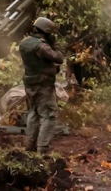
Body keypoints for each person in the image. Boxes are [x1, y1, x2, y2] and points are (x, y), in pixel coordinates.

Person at [18, 17, 65, 153]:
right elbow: (59, 58)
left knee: (33, 113)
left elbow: (37, 63)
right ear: (46, 32)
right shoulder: (41, 46)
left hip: (30, 84)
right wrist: (55, 45)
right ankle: (43, 149)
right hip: (43, 85)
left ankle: (30, 146)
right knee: (49, 115)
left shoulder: (24, 43)